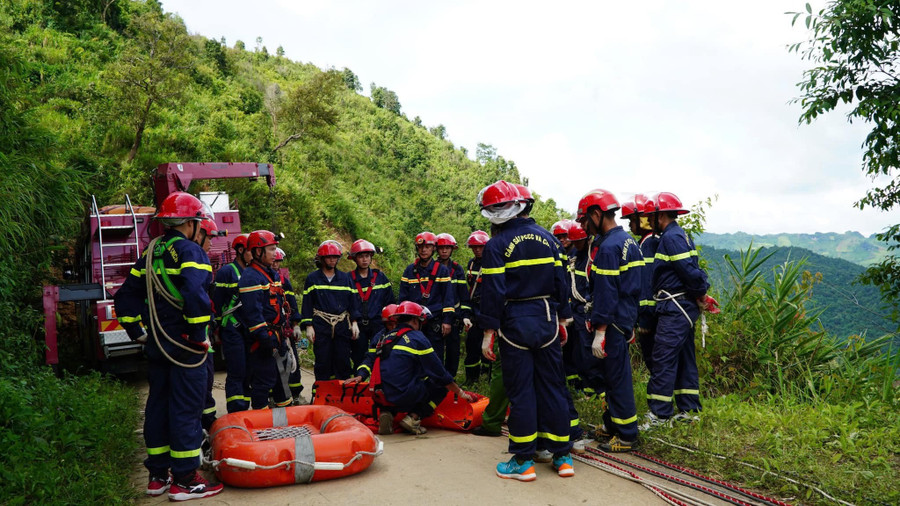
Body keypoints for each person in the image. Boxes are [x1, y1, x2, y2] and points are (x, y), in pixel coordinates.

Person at [114, 191, 223, 501]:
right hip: (184, 346)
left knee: (159, 405)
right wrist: (197, 334)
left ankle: (158, 475)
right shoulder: (191, 251)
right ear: (191, 223)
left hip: (159, 344)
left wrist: (137, 331)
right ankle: (186, 479)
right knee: (187, 408)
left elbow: (125, 296)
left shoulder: (151, 252)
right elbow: (195, 295)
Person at [478, 180, 575, 481]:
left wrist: (487, 333)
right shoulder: (549, 238)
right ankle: (562, 456)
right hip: (547, 317)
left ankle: (523, 461)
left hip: (515, 321)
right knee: (553, 387)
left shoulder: (495, 246)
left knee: (521, 391)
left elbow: (493, 292)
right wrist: (562, 320)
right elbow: (562, 283)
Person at [642, 192, 718, 429]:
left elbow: (689, 271)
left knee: (663, 357)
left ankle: (659, 415)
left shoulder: (671, 238)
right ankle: (689, 410)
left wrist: (702, 294)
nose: (648, 221)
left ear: (661, 215)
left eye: (652, 216)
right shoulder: (678, 235)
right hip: (682, 306)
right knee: (685, 359)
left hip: (674, 309)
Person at [576, 189, 643, 452]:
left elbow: (606, 291)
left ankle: (627, 435)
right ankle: (613, 425)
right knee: (613, 375)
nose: (584, 226)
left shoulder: (608, 248)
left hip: (612, 322)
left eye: (585, 220)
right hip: (625, 318)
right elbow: (637, 286)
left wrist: (601, 330)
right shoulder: (628, 241)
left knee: (616, 378)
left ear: (596, 213)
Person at [368, 301, 473, 435]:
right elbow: (439, 374)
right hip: (402, 394)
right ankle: (413, 417)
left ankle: (387, 412)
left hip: (380, 395)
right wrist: (461, 393)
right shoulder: (417, 338)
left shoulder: (385, 337)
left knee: (399, 379)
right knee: (440, 386)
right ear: (414, 320)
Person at [238, 230, 293, 410]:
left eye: (275, 249)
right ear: (258, 252)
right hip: (263, 340)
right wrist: (264, 338)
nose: (275, 253)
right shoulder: (251, 277)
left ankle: (282, 424)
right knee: (263, 382)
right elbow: (253, 312)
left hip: (277, 337)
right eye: (271, 249)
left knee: (281, 382)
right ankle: (260, 426)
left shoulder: (272, 275)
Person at [300, 241, 361, 383]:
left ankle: (342, 395)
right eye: (328, 257)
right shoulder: (313, 279)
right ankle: (322, 394)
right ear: (321, 259)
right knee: (322, 360)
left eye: (335, 257)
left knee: (343, 360)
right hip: (321, 325)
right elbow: (307, 303)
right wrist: (308, 326)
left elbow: (353, 302)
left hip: (341, 325)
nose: (332, 260)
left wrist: (355, 322)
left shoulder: (345, 279)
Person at [398, 232, 456, 367]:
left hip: (434, 322)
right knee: (413, 356)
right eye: (420, 247)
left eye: (427, 247)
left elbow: (448, 298)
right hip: (413, 323)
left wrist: (447, 321)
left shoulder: (442, 271)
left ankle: (436, 386)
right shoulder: (409, 271)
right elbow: (403, 298)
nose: (423, 250)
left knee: (435, 357)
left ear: (433, 248)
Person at [211, 234, 252, 413]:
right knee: (237, 370)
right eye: (252, 251)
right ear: (241, 250)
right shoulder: (227, 272)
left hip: (249, 330)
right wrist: (217, 327)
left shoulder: (253, 272)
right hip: (232, 329)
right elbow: (216, 302)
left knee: (249, 371)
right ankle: (236, 411)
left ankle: (246, 407)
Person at [564, 219, 605, 399]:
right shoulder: (577, 256)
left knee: (589, 353)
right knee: (579, 352)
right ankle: (588, 389)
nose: (575, 245)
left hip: (587, 310)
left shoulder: (591, 255)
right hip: (577, 311)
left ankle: (597, 391)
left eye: (578, 241)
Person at [345, 303, 400, 435]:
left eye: (395, 324)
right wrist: (361, 375)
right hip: (387, 381)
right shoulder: (380, 338)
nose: (392, 328)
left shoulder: (409, 336)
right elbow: (370, 358)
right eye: (389, 324)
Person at [622, 194, 660, 371]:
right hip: (656, 315)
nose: (630, 225)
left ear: (643, 219)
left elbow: (646, 283)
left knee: (654, 361)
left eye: (631, 220)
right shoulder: (647, 242)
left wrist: (644, 319)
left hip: (651, 318)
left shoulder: (649, 244)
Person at [347, 239, 395, 370]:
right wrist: (353, 322)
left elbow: (389, 301)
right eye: (361, 256)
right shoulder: (348, 279)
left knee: (381, 355)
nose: (364, 260)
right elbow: (346, 303)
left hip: (378, 324)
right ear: (354, 258)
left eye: (367, 256)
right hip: (358, 326)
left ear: (371, 257)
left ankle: (378, 384)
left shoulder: (380, 277)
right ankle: (359, 382)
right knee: (358, 357)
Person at [198, 218, 223, 433]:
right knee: (201, 382)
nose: (212, 243)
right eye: (210, 238)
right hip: (195, 338)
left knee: (206, 379)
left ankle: (207, 422)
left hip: (202, 334)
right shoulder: (195, 259)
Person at [435, 232, 472, 377]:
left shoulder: (457, 270)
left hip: (454, 317)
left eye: (447, 248)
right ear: (436, 249)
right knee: (435, 351)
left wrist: (466, 316)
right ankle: (436, 379)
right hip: (436, 316)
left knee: (453, 351)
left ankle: (450, 379)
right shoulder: (432, 268)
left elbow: (463, 295)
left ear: (452, 249)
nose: (444, 251)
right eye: (441, 248)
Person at [273, 247, 306, 404]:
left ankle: (295, 394)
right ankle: (274, 396)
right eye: (274, 261)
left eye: (278, 262)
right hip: (270, 331)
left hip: (285, 330)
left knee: (292, 363)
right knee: (272, 365)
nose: (275, 265)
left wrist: (296, 324)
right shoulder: (259, 279)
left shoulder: (284, 281)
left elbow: (292, 303)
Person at [462, 230, 489, 384]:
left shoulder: (493, 262)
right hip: (473, 309)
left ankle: (487, 375)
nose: (477, 250)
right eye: (474, 247)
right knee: (472, 344)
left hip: (487, 309)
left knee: (488, 344)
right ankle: (471, 378)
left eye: (480, 247)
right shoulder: (471, 264)